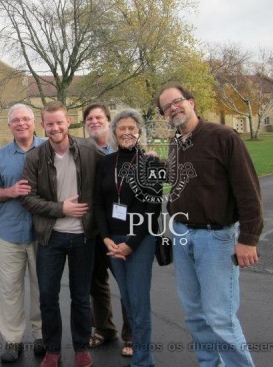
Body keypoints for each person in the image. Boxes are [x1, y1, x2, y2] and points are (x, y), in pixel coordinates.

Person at [155, 82, 263, 367]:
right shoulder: (176, 143)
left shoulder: (223, 137)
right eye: (166, 107)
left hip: (216, 239)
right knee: (194, 315)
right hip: (182, 235)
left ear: (191, 102)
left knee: (220, 317)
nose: (173, 109)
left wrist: (248, 238)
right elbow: (184, 178)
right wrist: (160, 164)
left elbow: (248, 191)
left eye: (176, 102)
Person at [21, 101, 103, 367]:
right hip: (51, 236)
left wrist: (144, 157)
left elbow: (113, 167)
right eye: (50, 124)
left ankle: (81, 347)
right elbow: (28, 199)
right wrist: (61, 208)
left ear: (68, 121)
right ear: (42, 126)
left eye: (59, 122)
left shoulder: (88, 149)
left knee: (81, 296)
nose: (55, 128)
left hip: (83, 235)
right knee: (47, 297)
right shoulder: (35, 157)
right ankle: (52, 350)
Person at [93, 108, 160, 367]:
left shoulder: (150, 163)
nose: (127, 132)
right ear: (114, 132)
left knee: (138, 300)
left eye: (132, 128)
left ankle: (143, 359)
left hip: (139, 241)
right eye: (122, 128)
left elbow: (153, 209)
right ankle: (141, 354)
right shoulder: (105, 163)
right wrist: (105, 237)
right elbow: (99, 203)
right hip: (113, 241)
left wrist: (131, 244)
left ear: (139, 131)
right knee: (128, 298)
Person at [0, 104, 46, 362]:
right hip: (9, 232)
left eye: (25, 119)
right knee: (10, 289)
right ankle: (12, 340)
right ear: (9, 126)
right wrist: (10, 192)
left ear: (34, 122)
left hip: (42, 232)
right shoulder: (0, 156)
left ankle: (42, 335)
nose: (21, 124)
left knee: (42, 287)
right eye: (16, 120)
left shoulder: (48, 149)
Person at [83, 103, 132, 357]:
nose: (94, 121)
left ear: (108, 121)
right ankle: (104, 328)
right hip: (93, 227)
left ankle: (131, 335)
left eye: (98, 117)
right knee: (97, 281)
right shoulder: (82, 150)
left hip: (120, 227)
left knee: (126, 283)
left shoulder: (123, 148)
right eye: (89, 118)